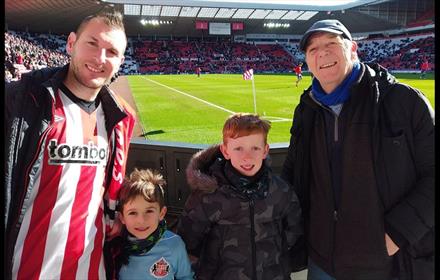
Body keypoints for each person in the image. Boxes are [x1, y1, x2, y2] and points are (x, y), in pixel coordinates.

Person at [281, 19, 434, 280]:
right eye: (312, 49)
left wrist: (396, 235)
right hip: (322, 259)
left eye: (331, 44)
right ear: (307, 60)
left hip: (387, 262)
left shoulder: (402, 101)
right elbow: (294, 172)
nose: (322, 53)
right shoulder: (306, 110)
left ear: (353, 48)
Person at [5, 9, 136, 279]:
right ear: (71, 43)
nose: (100, 58)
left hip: (91, 270)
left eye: (111, 52)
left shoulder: (117, 120)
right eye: (92, 44)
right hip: (25, 270)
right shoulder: (20, 103)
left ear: (121, 61)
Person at [177, 113, 302, 280]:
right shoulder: (208, 196)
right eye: (238, 148)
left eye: (255, 148)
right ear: (225, 151)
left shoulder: (280, 191)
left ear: (265, 150)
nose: (247, 156)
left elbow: (293, 231)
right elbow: (189, 241)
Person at [104, 168, 194, 280]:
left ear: (161, 213)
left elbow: (186, 277)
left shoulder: (174, 245)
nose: (141, 220)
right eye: (132, 213)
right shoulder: (115, 248)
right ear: (122, 217)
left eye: (149, 211)